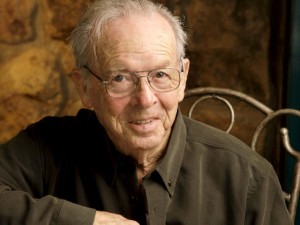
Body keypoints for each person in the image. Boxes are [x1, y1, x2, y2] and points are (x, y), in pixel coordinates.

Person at [0, 0, 293, 224]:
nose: (145, 98)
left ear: (183, 78)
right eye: (120, 78)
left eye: (161, 75)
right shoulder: (44, 149)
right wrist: (83, 221)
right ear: (85, 87)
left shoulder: (249, 179)